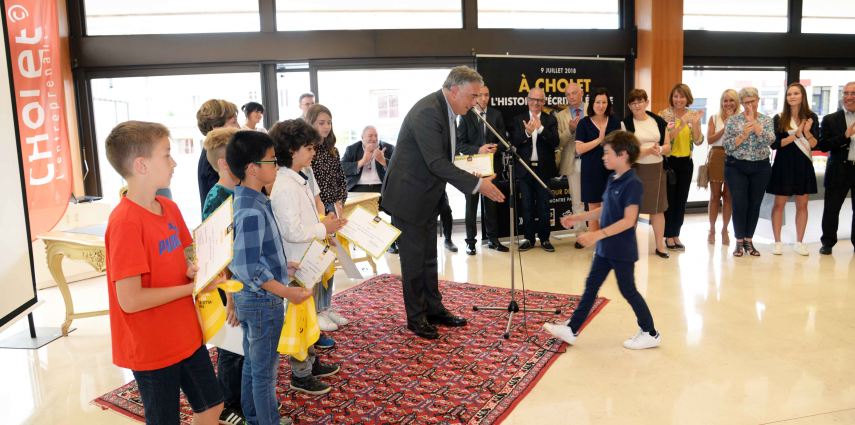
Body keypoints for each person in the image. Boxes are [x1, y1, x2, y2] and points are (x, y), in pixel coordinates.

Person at [104, 121, 224, 424]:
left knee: (212, 405)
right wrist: (192, 288)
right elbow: (130, 300)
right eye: (167, 154)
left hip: (184, 332)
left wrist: (202, 269)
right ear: (141, 165)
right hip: (151, 344)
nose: (174, 162)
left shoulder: (168, 207)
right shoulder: (125, 223)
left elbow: (187, 255)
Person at [381, 65, 505, 340]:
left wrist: (474, 174)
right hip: (408, 198)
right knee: (414, 262)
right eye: (471, 96)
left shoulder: (449, 111)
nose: (475, 103)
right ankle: (416, 318)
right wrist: (477, 185)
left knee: (429, 258)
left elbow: (443, 160)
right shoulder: (428, 112)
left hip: (427, 196)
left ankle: (434, 309)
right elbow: (436, 162)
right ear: (453, 90)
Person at [543, 130, 660, 350]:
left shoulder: (633, 183)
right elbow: (605, 209)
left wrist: (596, 235)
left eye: (607, 153)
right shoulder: (612, 178)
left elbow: (628, 220)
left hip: (621, 250)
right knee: (591, 286)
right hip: (606, 248)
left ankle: (650, 332)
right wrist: (578, 217)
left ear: (623, 155)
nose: (603, 157)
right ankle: (572, 329)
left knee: (628, 290)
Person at [226, 130, 311, 425]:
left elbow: (253, 256)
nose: (276, 165)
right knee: (264, 373)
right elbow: (247, 267)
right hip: (263, 301)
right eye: (271, 160)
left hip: (257, 296)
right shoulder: (250, 209)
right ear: (252, 169)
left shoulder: (253, 200)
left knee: (253, 364)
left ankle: (254, 417)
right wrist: (287, 292)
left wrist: (282, 268)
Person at [268, 120, 346, 396]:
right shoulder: (285, 185)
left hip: (307, 259)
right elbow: (291, 231)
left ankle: (310, 363)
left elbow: (306, 219)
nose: (313, 152)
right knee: (299, 319)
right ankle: (300, 374)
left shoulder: (298, 177)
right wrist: (323, 227)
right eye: (308, 147)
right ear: (291, 149)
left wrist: (323, 224)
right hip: (296, 262)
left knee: (308, 315)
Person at [200, 127, 246, 425]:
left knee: (243, 347)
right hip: (228, 285)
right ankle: (229, 404)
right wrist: (230, 295)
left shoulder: (239, 190)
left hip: (241, 281)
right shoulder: (217, 198)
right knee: (231, 348)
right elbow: (217, 253)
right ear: (224, 163)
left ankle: (241, 398)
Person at [305, 104, 349, 343]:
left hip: (335, 207)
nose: (325, 126)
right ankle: (318, 309)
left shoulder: (332, 149)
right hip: (318, 211)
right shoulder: (309, 152)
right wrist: (325, 209)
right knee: (320, 262)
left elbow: (341, 178)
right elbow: (314, 189)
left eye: (328, 122)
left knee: (332, 260)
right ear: (310, 123)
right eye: (321, 122)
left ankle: (327, 304)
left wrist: (340, 201)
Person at [456, 84, 509, 254]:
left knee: (491, 205)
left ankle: (493, 240)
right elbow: (459, 143)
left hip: (491, 169)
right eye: (480, 95)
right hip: (472, 169)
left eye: (487, 95)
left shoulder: (496, 115)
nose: (484, 98)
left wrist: (497, 148)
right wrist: (478, 150)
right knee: (471, 206)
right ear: (475, 97)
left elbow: (503, 141)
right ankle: (470, 242)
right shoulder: (466, 115)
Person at [723, 87, 775, 257]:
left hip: (761, 167)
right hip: (737, 166)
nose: (750, 105)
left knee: (755, 204)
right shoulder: (733, 120)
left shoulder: (766, 120)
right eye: (746, 102)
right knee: (740, 204)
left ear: (758, 100)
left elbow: (771, 140)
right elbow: (727, 146)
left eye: (752, 101)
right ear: (742, 103)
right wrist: (743, 135)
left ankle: (749, 240)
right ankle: (738, 242)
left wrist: (757, 127)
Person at [768, 83, 819, 256]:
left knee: (802, 205)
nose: (792, 96)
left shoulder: (811, 117)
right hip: (784, 165)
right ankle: (777, 242)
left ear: (802, 96)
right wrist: (796, 134)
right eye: (789, 94)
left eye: (796, 93)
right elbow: (775, 144)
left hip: (803, 165)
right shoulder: (779, 118)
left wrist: (807, 132)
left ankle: (799, 242)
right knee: (778, 205)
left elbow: (814, 144)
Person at [621, 89, 671, 258]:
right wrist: (648, 150)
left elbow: (668, 147)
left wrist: (660, 149)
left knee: (657, 210)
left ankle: (660, 246)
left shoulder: (658, 121)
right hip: (635, 170)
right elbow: (627, 151)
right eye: (633, 103)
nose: (637, 105)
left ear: (646, 102)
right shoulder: (625, 124)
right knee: (632, 210)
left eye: (640, 101)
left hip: (657, 169)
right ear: (629, 105)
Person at [511, 87, 559, 252]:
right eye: (532, 99)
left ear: (544, 102)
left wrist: (540, 129)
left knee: (544, 206)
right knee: (527, 205)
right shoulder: (519, 119)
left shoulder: (550, 120)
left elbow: (555, 142)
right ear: (527, 99)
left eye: (539, 100)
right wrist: (527, 132)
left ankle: (545, 239)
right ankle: (529, 239)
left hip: (544, 171)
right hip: (525, 170)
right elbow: (514, 142)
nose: (535, 103)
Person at [658, 84, 704, 251]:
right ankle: (668, 235)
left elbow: (698, 141)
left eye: (682, 96)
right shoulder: (663, 115)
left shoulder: (693, 115)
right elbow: (664, 140)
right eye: (676, 96)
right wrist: (681, 125)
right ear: (672, 98)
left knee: (681, 200)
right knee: (669, 200)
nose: (679, 100)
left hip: (686, 162)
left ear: (688, 98)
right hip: (669, 162)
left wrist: (697, 124)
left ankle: (676, 234)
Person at [341, 126, 398, 253]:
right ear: (362, 138)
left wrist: (383, 161)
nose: (373, 139)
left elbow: (399, 169)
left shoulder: (387, 148)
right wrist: (362, 161)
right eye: (370, 136)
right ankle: (372, 239)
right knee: (353, 214)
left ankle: (391, 242)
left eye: (376, 136)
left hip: (381, 188)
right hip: (358, 189)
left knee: (398, 208)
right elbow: (341, 168)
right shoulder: (352, 149)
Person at [576, 87, 622, 235]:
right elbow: (579, 149)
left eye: (604, 102)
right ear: (592, 104)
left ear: (608, 104)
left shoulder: (615, 122)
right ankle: (596, 245)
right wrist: (599, 140)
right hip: (591, 171)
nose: (601, 105)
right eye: (598, 102)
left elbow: (620, 146)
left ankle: (610, 243)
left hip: (611, 172)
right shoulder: (584, 123)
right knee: (594, 209)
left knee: (612, 207)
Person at [818, 81, 855, 255]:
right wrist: (845, 136)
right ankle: (827, 242)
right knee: (832, 209)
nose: (849, 97)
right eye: (846, 93)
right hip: (838, 169)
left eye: (853, 93)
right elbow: (823, 145)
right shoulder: (830, 119)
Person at [706, 89, 739, 245]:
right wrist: (724, 127)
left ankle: (725, 229)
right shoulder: (714, 117)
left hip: (735, 156)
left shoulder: (741, 118)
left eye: (731, 100)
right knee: (714, 196)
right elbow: (710, 139)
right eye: (725, 100)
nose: (728, 103)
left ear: (736, 102)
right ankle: (711, 229)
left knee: (728, 197)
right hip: (717, 155)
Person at [555, 82, 587, 238]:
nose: (571, 97)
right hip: (572, 162)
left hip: (592, 161)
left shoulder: (593, 109)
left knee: (597, 201)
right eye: (568, 94)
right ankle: (580, 235)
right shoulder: (561, 116)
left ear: (581, 93)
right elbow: (559, 142)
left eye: (574, 93)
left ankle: (598, 233)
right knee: (577, 201)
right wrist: (571, 130)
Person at [197, 99, 240, 207]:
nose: (239, 127)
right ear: (216, 127)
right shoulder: (214, 158)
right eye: (234, 122)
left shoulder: (210, 154)